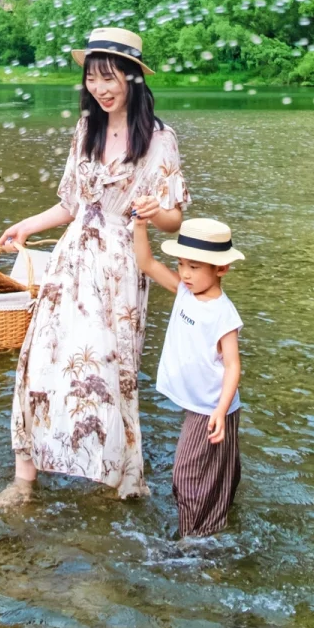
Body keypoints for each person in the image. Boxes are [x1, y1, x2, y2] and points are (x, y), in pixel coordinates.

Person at [0, 27, 189, 514]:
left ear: (133, 78)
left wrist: (155, 211)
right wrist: (26, 225)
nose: (100, 88)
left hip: (118, 267)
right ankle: (24, 482)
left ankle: (113, 480)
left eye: (110, 77)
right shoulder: (86, 128)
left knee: (106, 372)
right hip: (70, 263)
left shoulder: (159, 140)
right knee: (40, 363)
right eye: (93, 78)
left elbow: (175, 218)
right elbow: (72, 203)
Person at [133, 214, 244, 539]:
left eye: (194, 267)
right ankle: (214, 529)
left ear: (221, 268)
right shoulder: (185, 291)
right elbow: (147, 263)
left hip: (211, 407)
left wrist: (220, 410)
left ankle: (191, 540)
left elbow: (233, 366)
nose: (185, 273)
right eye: (181, 264)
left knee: (187, 476)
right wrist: (140, 225)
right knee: (220, 468)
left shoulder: (223, 314)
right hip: (203, 404)